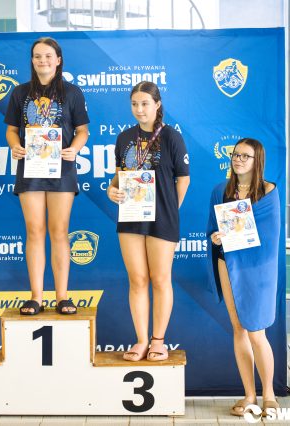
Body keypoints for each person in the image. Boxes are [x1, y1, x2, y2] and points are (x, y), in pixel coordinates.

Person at [4, 37, 89, 315]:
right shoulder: (20, 92)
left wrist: (74, 149)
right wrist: (14, 146)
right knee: (34, 230)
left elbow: (83, 131)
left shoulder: (72, 92)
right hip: (30, 168)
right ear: (32, 60)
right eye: (38, 56)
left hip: (61, 168)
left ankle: (62, 296)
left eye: (48, 56)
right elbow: (11, 130)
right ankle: (36, 297)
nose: (43, 61)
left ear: (58, 60)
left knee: (59, 231)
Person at [106, 81, 190, 361]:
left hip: (162, 218)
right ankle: (141, 340)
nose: (139, 109)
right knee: (138, 279)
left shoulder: (172, 137)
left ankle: (158, 341)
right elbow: (119, 176)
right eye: (134, 104)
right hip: (131, 216)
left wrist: (170, 210)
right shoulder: (124, 138)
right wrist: (111, 190)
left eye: (145, 103)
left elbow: (183, 179)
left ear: (157, 105)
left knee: (160, 279)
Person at [207, 138, 280, 417]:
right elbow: (212, 228)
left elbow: (270, 236)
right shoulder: (220, 190)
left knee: (256, 331)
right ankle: (249, 394)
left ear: (257, 160)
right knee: (238, 328)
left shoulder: (269, 192)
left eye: (245, 156)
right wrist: (215, 238)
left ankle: (269, 395)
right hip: (228, 263)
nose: (238, 159)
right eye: (235, 155)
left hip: (257, 268)